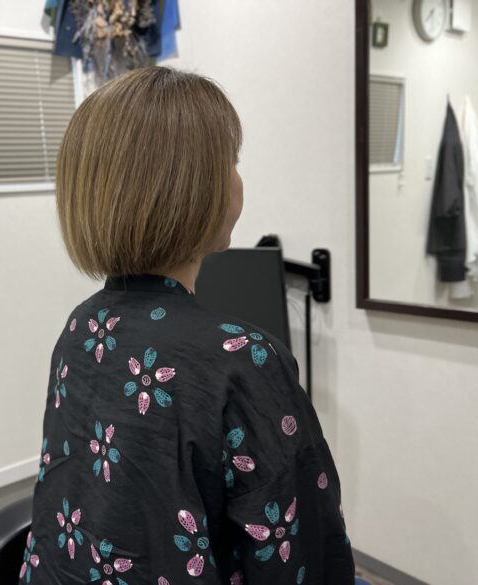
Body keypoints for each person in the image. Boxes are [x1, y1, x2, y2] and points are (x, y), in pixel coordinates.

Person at [18, 66, 354, 585]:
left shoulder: (82, 328)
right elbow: (300, 552)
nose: (238, 178)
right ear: (197, 190)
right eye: (232, 162)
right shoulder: (243, 361)